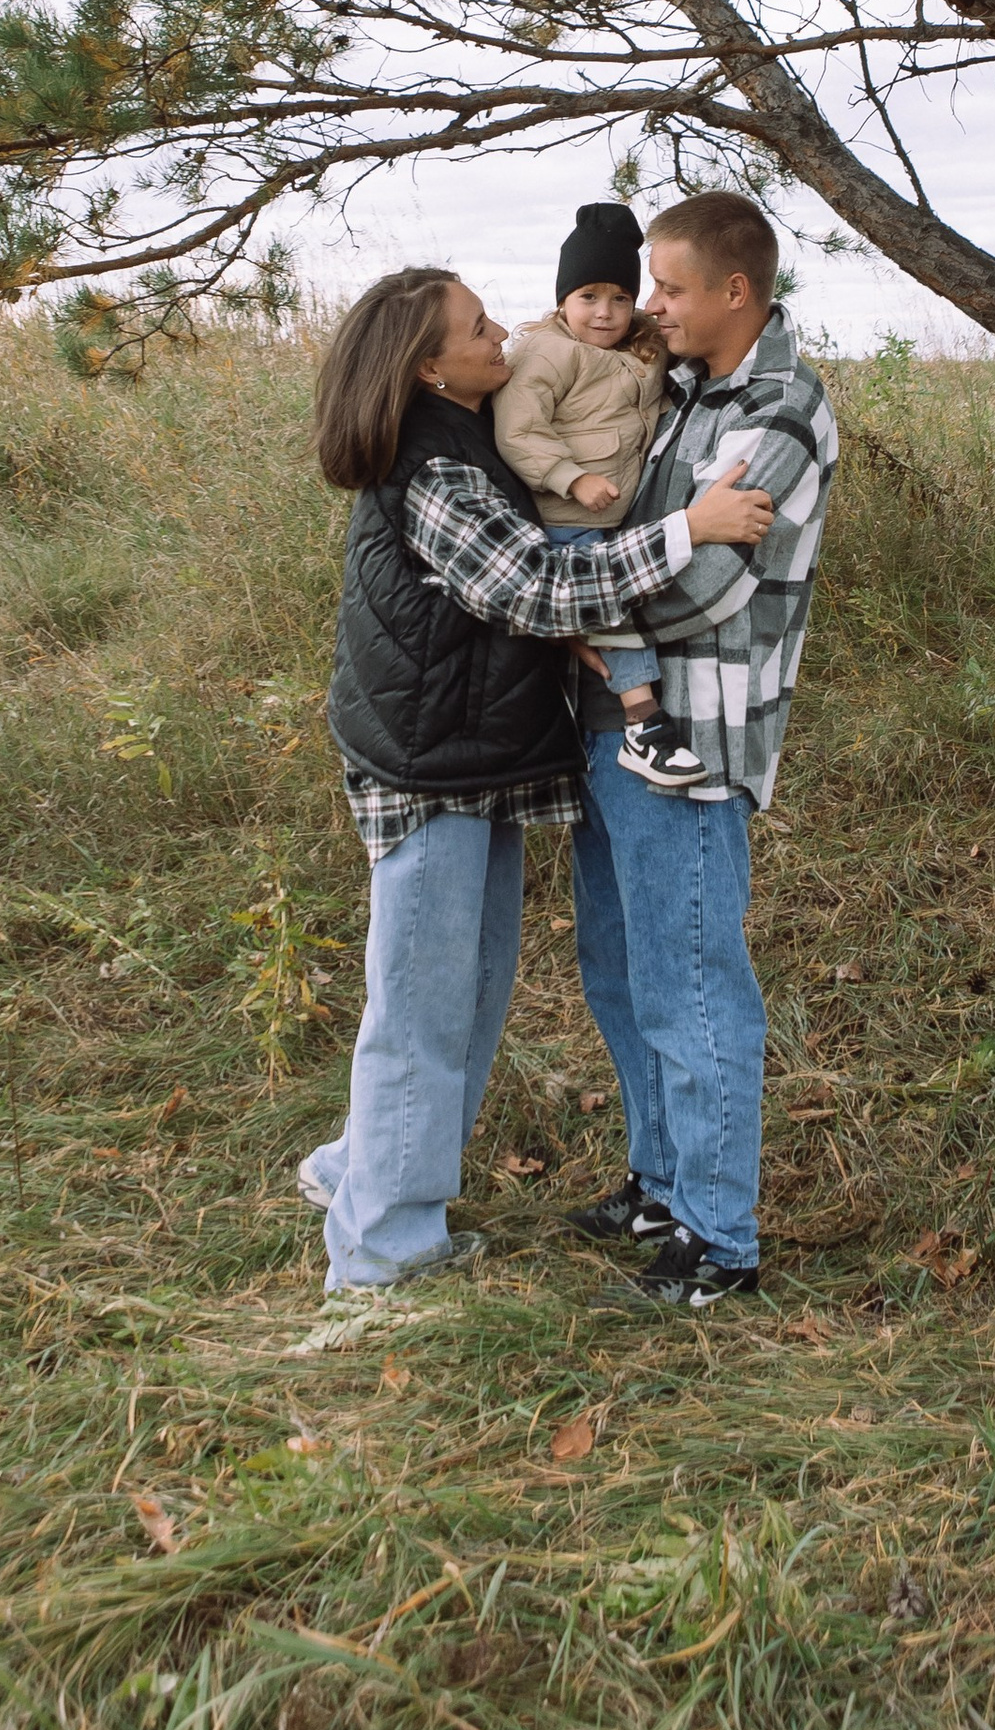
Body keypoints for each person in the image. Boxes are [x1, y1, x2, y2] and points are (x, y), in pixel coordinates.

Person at [298, 266, 775, 1292]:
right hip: (431, 767)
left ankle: (358, 1171)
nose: (501, 333)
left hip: (478, 752)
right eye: (476, 328)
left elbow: (505, 590)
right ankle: (378, 1252)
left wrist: (580, 648)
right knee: (423, 1009)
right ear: (429, 367)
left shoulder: (473, 432)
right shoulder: (435, 465)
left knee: (460, 997)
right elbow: (536, 581)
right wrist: (691, 527)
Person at [564, 192, 838, 1311]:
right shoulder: (679, 391)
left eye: (669, 287)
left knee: (690, 984)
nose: (650, 304)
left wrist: (578, 606)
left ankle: (720, 1243)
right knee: (621, 974)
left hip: (694, 737)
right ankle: (661, 1185)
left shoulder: (775, 410)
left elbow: (707, 582)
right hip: (611, 723)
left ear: (736, 290)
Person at [491, 201, 705, 793]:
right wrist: (570, 477)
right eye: (588, 297)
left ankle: (586, 723)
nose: (604, 313)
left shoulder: (642, 347)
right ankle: (643, 722)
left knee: (616, 607)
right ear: (562, 299)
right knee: (610, 606)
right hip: (566, 517)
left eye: (618, 297)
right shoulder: (545, 353)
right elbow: (518, 431)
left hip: (616, 516)